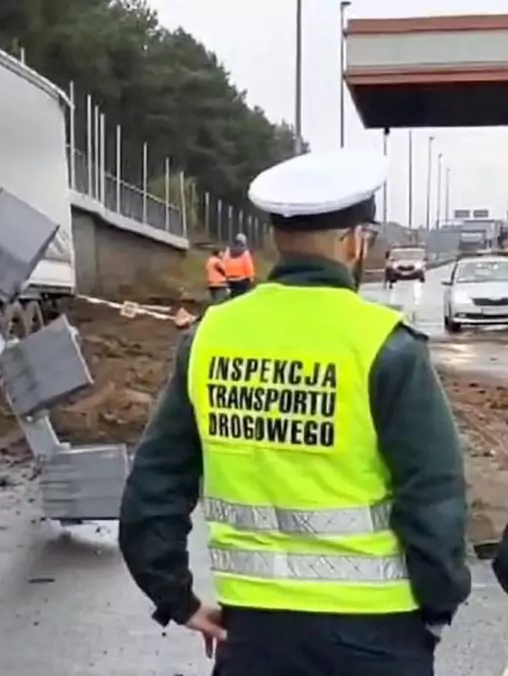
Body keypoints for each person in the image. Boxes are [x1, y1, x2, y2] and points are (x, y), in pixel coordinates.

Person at [118, 148, 470, 676]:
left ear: (275, 239)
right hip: (378, 632)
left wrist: (178, 599)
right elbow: (433, 497)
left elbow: (154, 485)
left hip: (255, 633)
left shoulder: (210, 336)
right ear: (352, 240)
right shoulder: (383, 345)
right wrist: (438, 606)